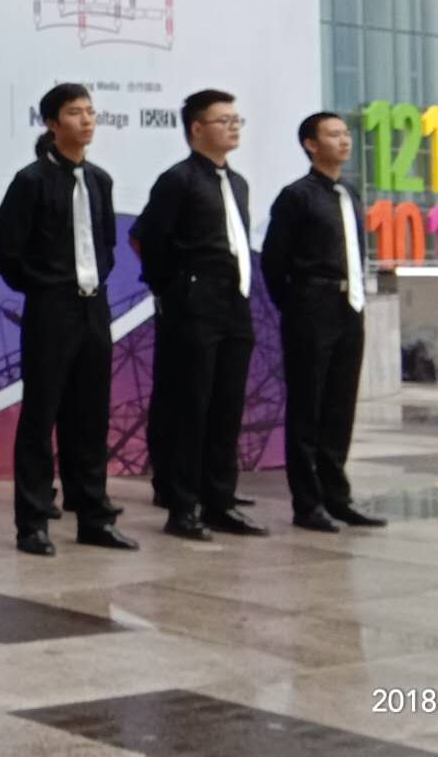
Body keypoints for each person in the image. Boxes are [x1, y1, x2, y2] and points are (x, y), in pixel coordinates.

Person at [0, 83, 137, 557]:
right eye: (75, 112)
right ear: (52, 123)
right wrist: (44, 286)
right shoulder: (31, 181)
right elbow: (4, 251)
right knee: (41, 414)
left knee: (91, 415)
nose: (87, 120)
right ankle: (33, 522)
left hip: (95, 306)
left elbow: (106, 244)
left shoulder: (99, 180)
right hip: (51, 308)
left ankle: (93, 515)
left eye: (90, 112)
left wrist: (94, 281)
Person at [134, 89, 263, 540]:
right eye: (223, 120)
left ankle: (220, 501)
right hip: (193, 308)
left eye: (236, 119)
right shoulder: (177, 180)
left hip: (235, 307)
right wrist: (175, 292)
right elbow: (150, 241)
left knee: (227, 407)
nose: (233, 127)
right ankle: (182, 506)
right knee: (190, 407)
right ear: (196, 128)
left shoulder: (237, 183)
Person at [262, 112, 388, 533]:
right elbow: (274, 262)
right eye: (334, 134)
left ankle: (338, 496)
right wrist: (297, 305)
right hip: (311, 307)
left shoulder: (349, 193)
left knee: (340, 404)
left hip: (349, 307)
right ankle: (307, 503)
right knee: (308, 407)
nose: (344, 140)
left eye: (346, 133)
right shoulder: (296, 196)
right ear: (311, 145)